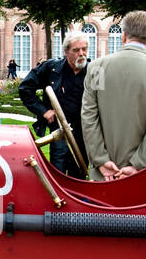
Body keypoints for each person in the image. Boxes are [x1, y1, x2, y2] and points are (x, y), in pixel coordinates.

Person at [80, 10, 146, 181]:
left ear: (123, 36)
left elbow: (89, 117)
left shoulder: (97, 67)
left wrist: (101, 160)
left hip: (103, 172)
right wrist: (138, 164)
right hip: (141, 173)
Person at [18, 35, 91, 178]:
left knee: (80, 176)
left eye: (84, 49)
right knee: (58, 176)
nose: (81, 53)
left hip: (84, 134)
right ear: (66, 51)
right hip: (59, 133)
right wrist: (43, 111)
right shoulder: (51, 68)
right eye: (76, 50)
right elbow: (25, 89)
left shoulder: (94, 71)